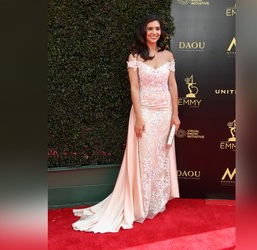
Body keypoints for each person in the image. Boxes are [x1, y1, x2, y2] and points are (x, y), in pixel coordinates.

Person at [72, 15, 180, 233]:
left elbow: (173, 86)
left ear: (161, 32)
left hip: (164, 112)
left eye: (157, 28)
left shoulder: (168, 55)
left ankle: (154, 202)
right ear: (144, 32)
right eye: (150, 28)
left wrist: (175, 115)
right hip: (146, 113)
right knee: (144, 158)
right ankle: (139, 203)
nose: (154, 32)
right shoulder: (135, 57)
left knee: (160, 156)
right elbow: (134, 89)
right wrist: (139, 117)